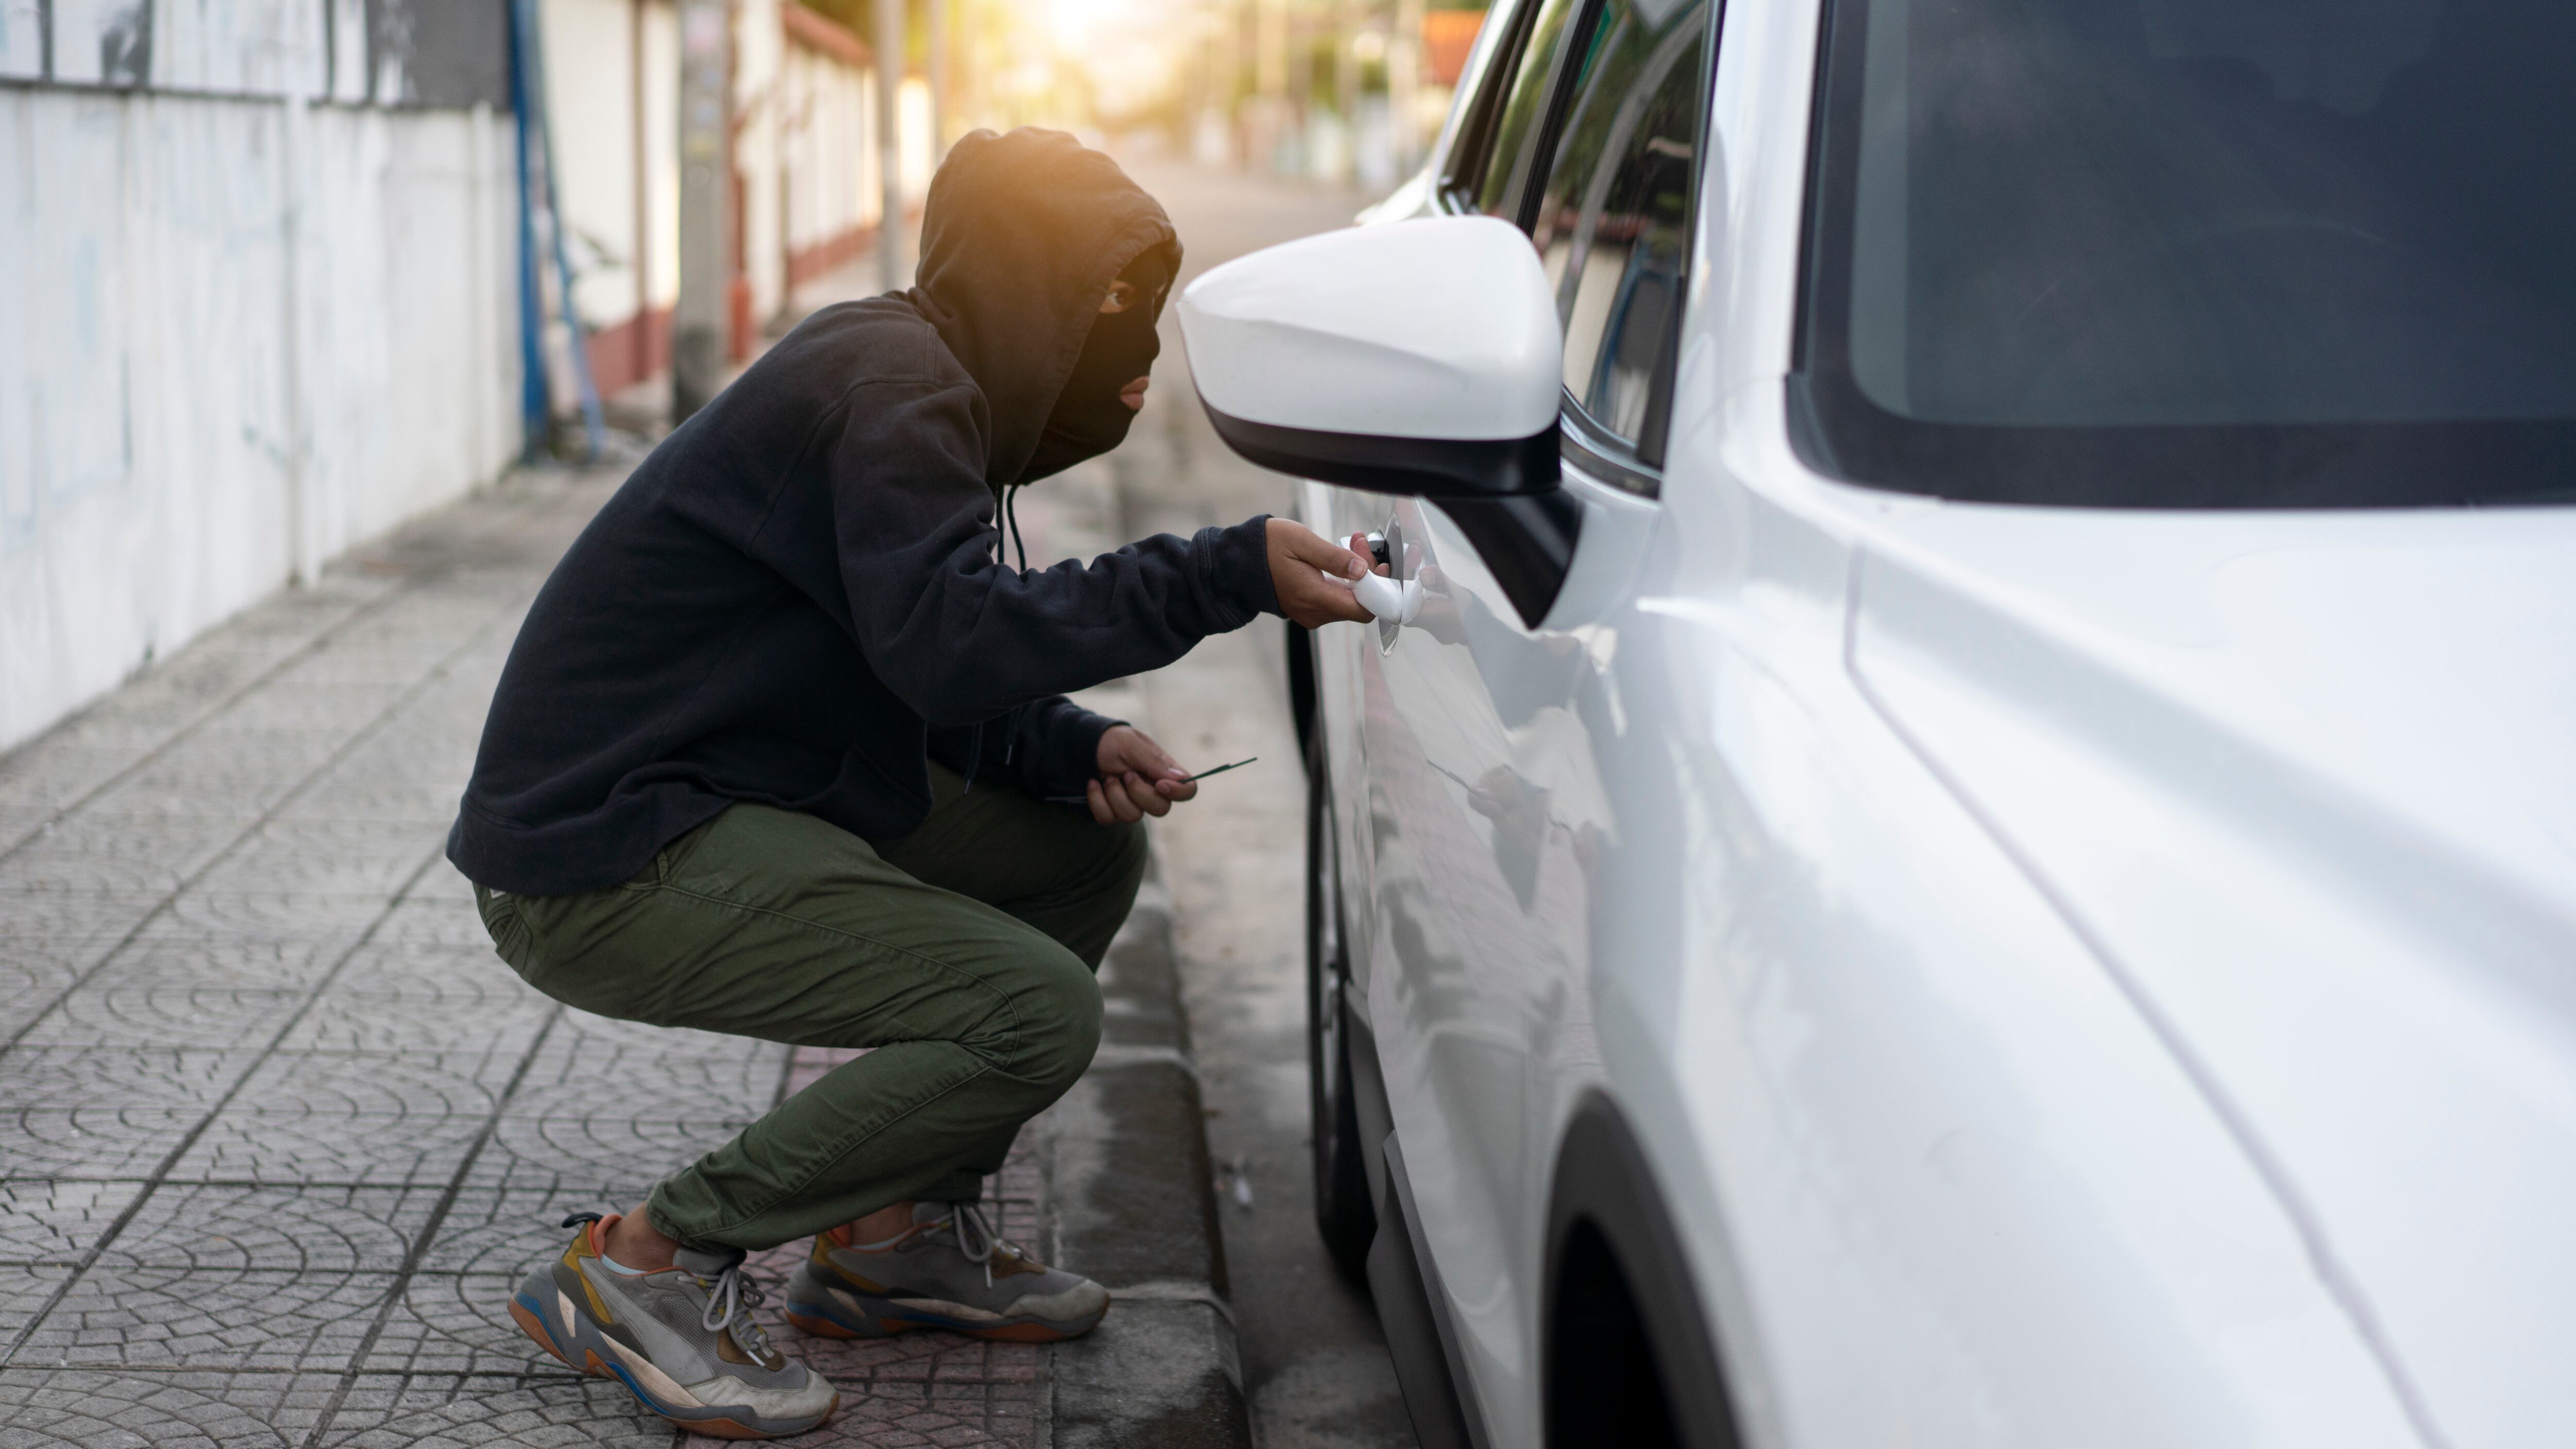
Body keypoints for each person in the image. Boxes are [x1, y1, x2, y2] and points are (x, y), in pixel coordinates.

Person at [448, 128, 1372, 1439]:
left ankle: (892, 1244)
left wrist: (1061, 745)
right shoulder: (893, 384)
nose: (1129, 355)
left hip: (720, 791)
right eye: (1103, 305)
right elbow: (949, 635)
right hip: (607, 851)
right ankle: (648, 1263)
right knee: (1032, 1013)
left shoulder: (906, 374)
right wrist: (1218, 574)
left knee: (1079, 851)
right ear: (1025, 294)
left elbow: (910, 655)